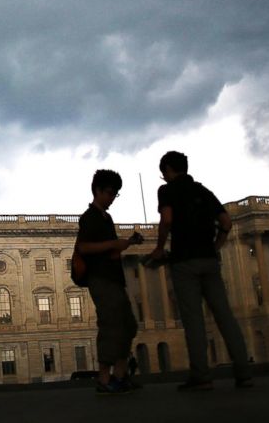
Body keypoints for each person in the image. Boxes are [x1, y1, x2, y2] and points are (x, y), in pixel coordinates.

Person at [148, 151, 253, 391]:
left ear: (168, 169)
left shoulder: (167, 191)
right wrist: (215, 247)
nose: (163, 176)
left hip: (184, 260)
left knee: (193, 320)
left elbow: (166, 219)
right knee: (224, 315)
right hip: (209, 259)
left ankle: (202, 377)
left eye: (163, 172)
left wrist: (159, 247)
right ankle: (244, 373)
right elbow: (226, 223)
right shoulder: (203, 191)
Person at [76, 169, 138, 395]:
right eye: (110, 193)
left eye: (116, 194)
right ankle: (103, 379)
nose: (112, 198)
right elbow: (84, 248)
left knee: (128, 325)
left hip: (114, 277)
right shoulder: (89, 217)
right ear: (97, 190)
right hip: (100, 278)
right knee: (111, 325)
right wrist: (113, 245)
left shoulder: (107, 218)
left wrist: (125, 244)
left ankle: (120, 375)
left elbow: (109, 250)